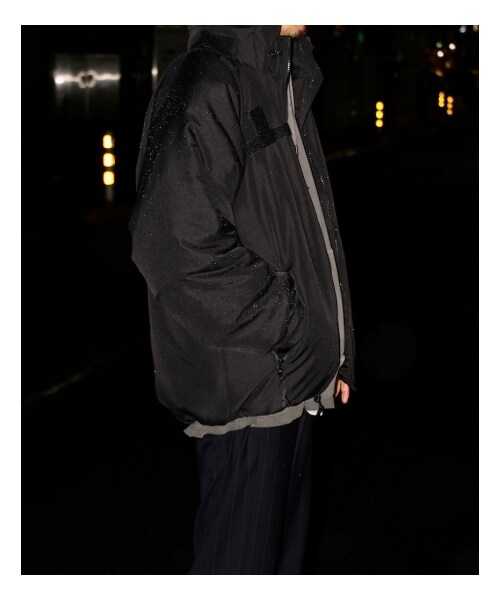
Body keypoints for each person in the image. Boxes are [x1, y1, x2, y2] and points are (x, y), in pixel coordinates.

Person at [128, 25, 356, 574]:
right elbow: (172, 246)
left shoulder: (281, 76)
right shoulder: (208, 80)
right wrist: (293, 328)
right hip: (249, 398)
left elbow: (312, 232)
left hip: (294, 386)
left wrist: (334, 353)